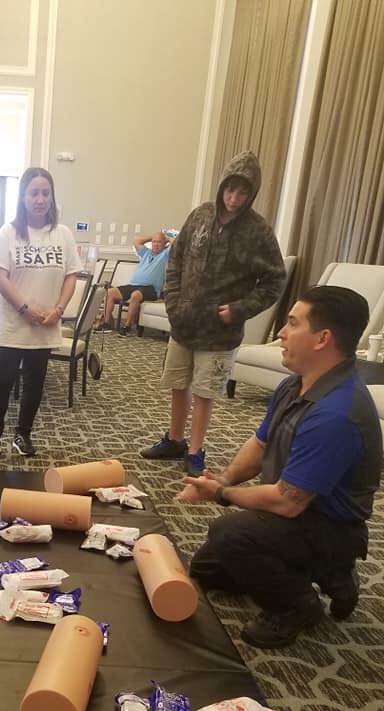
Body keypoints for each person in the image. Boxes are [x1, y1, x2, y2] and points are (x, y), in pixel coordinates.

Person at [178, 286, 382, 649]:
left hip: (328, 524)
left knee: (231, 533)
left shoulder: (336, 414)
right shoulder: (295, 384)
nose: (280, 333)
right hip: (295, 511)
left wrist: (222, 493)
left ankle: (299, 606)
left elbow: (288, 503)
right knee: (207, 568)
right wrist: (223, 478)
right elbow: (261, 443)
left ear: (323, 338)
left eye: (291, 323)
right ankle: (324, 572)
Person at [142, 151, 286, 476]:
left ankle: (195, 451)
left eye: (242, 192)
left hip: (221, 331)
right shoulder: (200, 216)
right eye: (229, 190)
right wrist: (173, 303)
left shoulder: (258, 231)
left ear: (252, 194)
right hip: (184, 322)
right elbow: (175, 260)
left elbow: (275, 279)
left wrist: (240, 310)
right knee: (179, 383)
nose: (234, 199)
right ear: (221, 187)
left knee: (206, 391)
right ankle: (174, 440)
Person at [0, 167, 81, 462]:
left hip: (46, 323)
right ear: (23, 197)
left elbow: (71, 276)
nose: (40, 199)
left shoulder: (62, 234)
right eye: (34, 193)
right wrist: (26, 309)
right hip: (14, 323)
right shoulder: (8, 233)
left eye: (45, 193)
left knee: (36, 382)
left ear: (52, 198)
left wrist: (58, 309)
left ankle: (23, 434)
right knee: (3, 381)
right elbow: (0, 276)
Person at [99, 230, 172, 335]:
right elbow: (136, 241)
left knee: (135, 295)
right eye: (154, 242)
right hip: (133, 285)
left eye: (159, 242)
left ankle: (127, 326)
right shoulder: (146, 252)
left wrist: (166, 237)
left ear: (164, 243)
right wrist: (153, 236)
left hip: (151, 289)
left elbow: (175, 243)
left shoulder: (165, 254)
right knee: (109, 292)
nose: (155, 244)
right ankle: (106, 323)